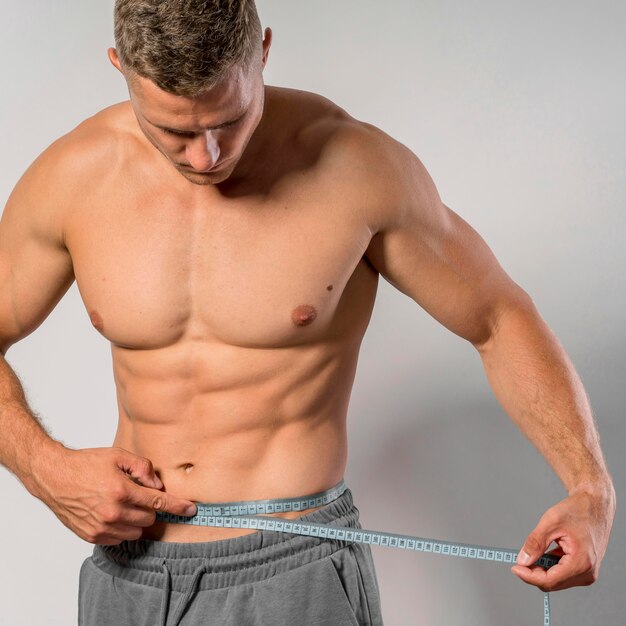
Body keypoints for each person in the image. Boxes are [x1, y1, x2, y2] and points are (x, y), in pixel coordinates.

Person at [0, 1, 615, 624]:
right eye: (174, 132)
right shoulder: (70, 181)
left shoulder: (357, 169)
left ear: (262, 51)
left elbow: (496, 317)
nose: (207, 156)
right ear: (121, 70)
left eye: (229, 120)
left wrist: (590, 490)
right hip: (129, 575)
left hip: (296, 568)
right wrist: (44, 468)